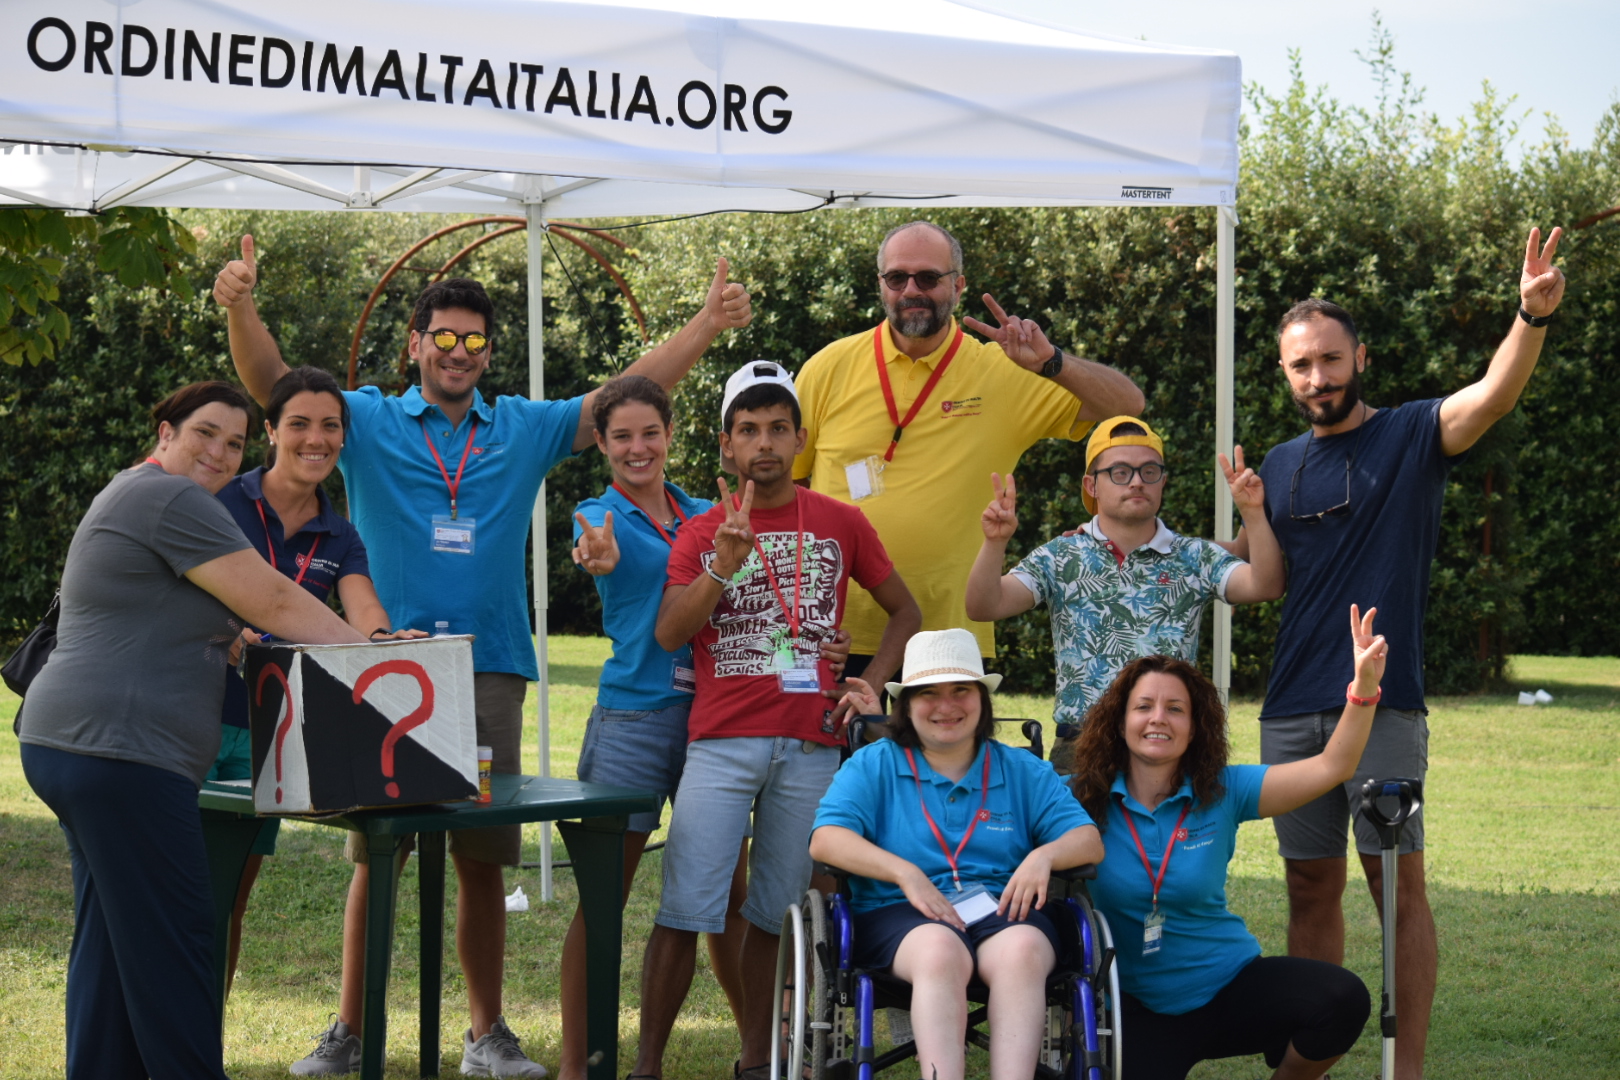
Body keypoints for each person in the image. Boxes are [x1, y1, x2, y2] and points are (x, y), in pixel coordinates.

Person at [215, 235, 752, 1076]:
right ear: (415, 345)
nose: (458, 353)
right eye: (444, 338)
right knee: (376, 850)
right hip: (382, 669)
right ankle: (350, 1031)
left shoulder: (524, 428)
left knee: (482, 854)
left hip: (489, 666)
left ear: (488, 352)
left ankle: (487, 1034)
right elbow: (276, 387)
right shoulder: (369, 419)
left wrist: (704, 326)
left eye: (474, 341)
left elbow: (627, 396)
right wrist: (240, 304)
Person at [1227, 227, 1566, 1078]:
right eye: (1301, 366)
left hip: (1382, 707)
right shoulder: (1277, 462)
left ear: (1360, 358)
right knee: (1309, 888)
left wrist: (1529, 315)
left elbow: (1489, 396)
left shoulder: (1413, 435)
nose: (1318, 378)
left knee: (1394, 888)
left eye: (1331, 360)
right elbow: (1255, 570)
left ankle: (1403, 1068)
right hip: (1290, 709)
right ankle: (1310, 1062)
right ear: (1286, 374)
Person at [18, 381, 369, 1080]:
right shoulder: (169, 498)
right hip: (123, 756)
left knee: (114, 948)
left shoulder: (138, 492)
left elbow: (178, 612)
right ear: (166, 432)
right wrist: (375, 665)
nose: (219, 451)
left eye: (234, 442)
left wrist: (223, 641)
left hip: (73, 745)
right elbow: (272, 596)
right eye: (205, 432)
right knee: (176, 949)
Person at [632, 362, 921, 1080]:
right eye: (748, 430)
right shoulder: (703, 531)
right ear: (727, 445)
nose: (764, 443)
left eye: (778, 428)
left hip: (813, 747)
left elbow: (905, 613)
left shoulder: (841, 521)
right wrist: (722, 567)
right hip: (722, 746)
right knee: (684, 909)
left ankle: (758, 1061)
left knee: (778, 915)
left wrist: (870, 684)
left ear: (798, 438)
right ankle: (645, 1067)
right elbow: (669, 632)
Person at [562, 375, 852, 1080]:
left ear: (671, 438)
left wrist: (820, 648)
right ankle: (579, 1063)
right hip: (635, 716)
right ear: (601, 444)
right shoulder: (597, 515)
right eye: (621, 436)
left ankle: (757, 1046)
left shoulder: (708, 512)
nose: (638, 448)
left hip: (709, 720)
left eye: (650, 433)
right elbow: (599, 558)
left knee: (722, 893)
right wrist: (595, 557)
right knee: (608, 893)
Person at [792, 220, 1145, 676]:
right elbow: (791, 486)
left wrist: (1051, 363)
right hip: (836, 633)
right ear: (880, 285)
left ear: (958, 285)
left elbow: (1128, 406)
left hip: (950, 638)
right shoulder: (827, 368)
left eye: (929, 278)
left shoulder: (1005, 370)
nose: (911, 290)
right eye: (897, 278)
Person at [1069, 606, 1388, 1080]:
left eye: (1176, 709)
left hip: (1228, 985)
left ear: (1195, 727)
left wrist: (1363, 690)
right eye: (1144, 707)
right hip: (1138, 1009)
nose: (1159, 719)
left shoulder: (1223, 789)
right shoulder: (1079, 798)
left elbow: (1331, 767)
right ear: (1119, 722)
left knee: (1341, 998)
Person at [208, 366, 427, 998]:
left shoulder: (341, 533)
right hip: (187, 720)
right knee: (171, 896)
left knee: (228, 904)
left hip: (264, 736)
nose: (316, 438)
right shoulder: (222, 500)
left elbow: (363, 611)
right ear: (270, 430)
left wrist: (386, 646)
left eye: (330, 426)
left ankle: (199, 1051)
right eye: (298, 423)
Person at [809, 628, 1104, 1080]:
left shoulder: (1020, 768)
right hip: (899, 913)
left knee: (1023, 949)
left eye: (961, 690)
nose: (946, 706)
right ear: (905, 704)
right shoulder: (874, 764)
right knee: (939, 950)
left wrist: (1043, 857)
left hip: (1003, 908)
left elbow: (1087, 840)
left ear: (982, 701)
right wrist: (904, 873)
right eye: (928, 693)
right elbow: (826, 839)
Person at [964, 416, 1285, 771]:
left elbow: (1265, 585)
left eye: (1149, 471)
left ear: (1162, 481)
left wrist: (1253, 513)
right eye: (1120, 472)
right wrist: (995, 543)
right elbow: (983, 606)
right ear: (1092, 485)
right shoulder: (1060, 556)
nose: (1136, 482)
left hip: (1168, 747)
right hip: (1081, 748)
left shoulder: (1195, 556)